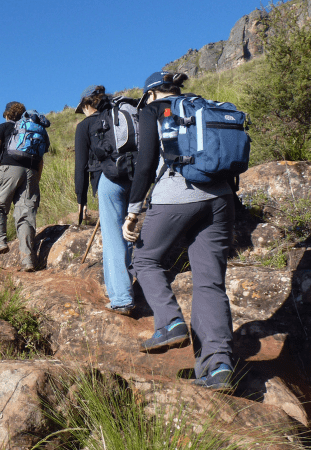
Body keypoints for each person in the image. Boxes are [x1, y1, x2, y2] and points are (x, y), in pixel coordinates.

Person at [123, 71, 235, 391]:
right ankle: (218, 369)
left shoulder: (152, 110)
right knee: (209, 283)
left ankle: (170, 322)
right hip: (221, 199)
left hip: (176, 197)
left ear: (152, 94)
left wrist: (133, 211)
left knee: (144, 259)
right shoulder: (203, 106)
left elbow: (145, 164)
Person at [74, 85, 134, 315]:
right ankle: (123, 289)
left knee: (113, 239)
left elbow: (81, 166)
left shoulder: (85, 125)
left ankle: (121, 298)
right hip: (135, 177)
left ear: (87, 105)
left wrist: (81, 198)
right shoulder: (119, 117)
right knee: (127, 234)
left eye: (83, 108)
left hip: (108, 181)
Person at [0, 101, 49, 272]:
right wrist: (35, 180)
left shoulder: (3, 127)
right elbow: (40, 160)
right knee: (25, 216)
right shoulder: (33, 128)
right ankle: (28, 261)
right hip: (31, 171)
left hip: (10, 168)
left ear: (6, 114)